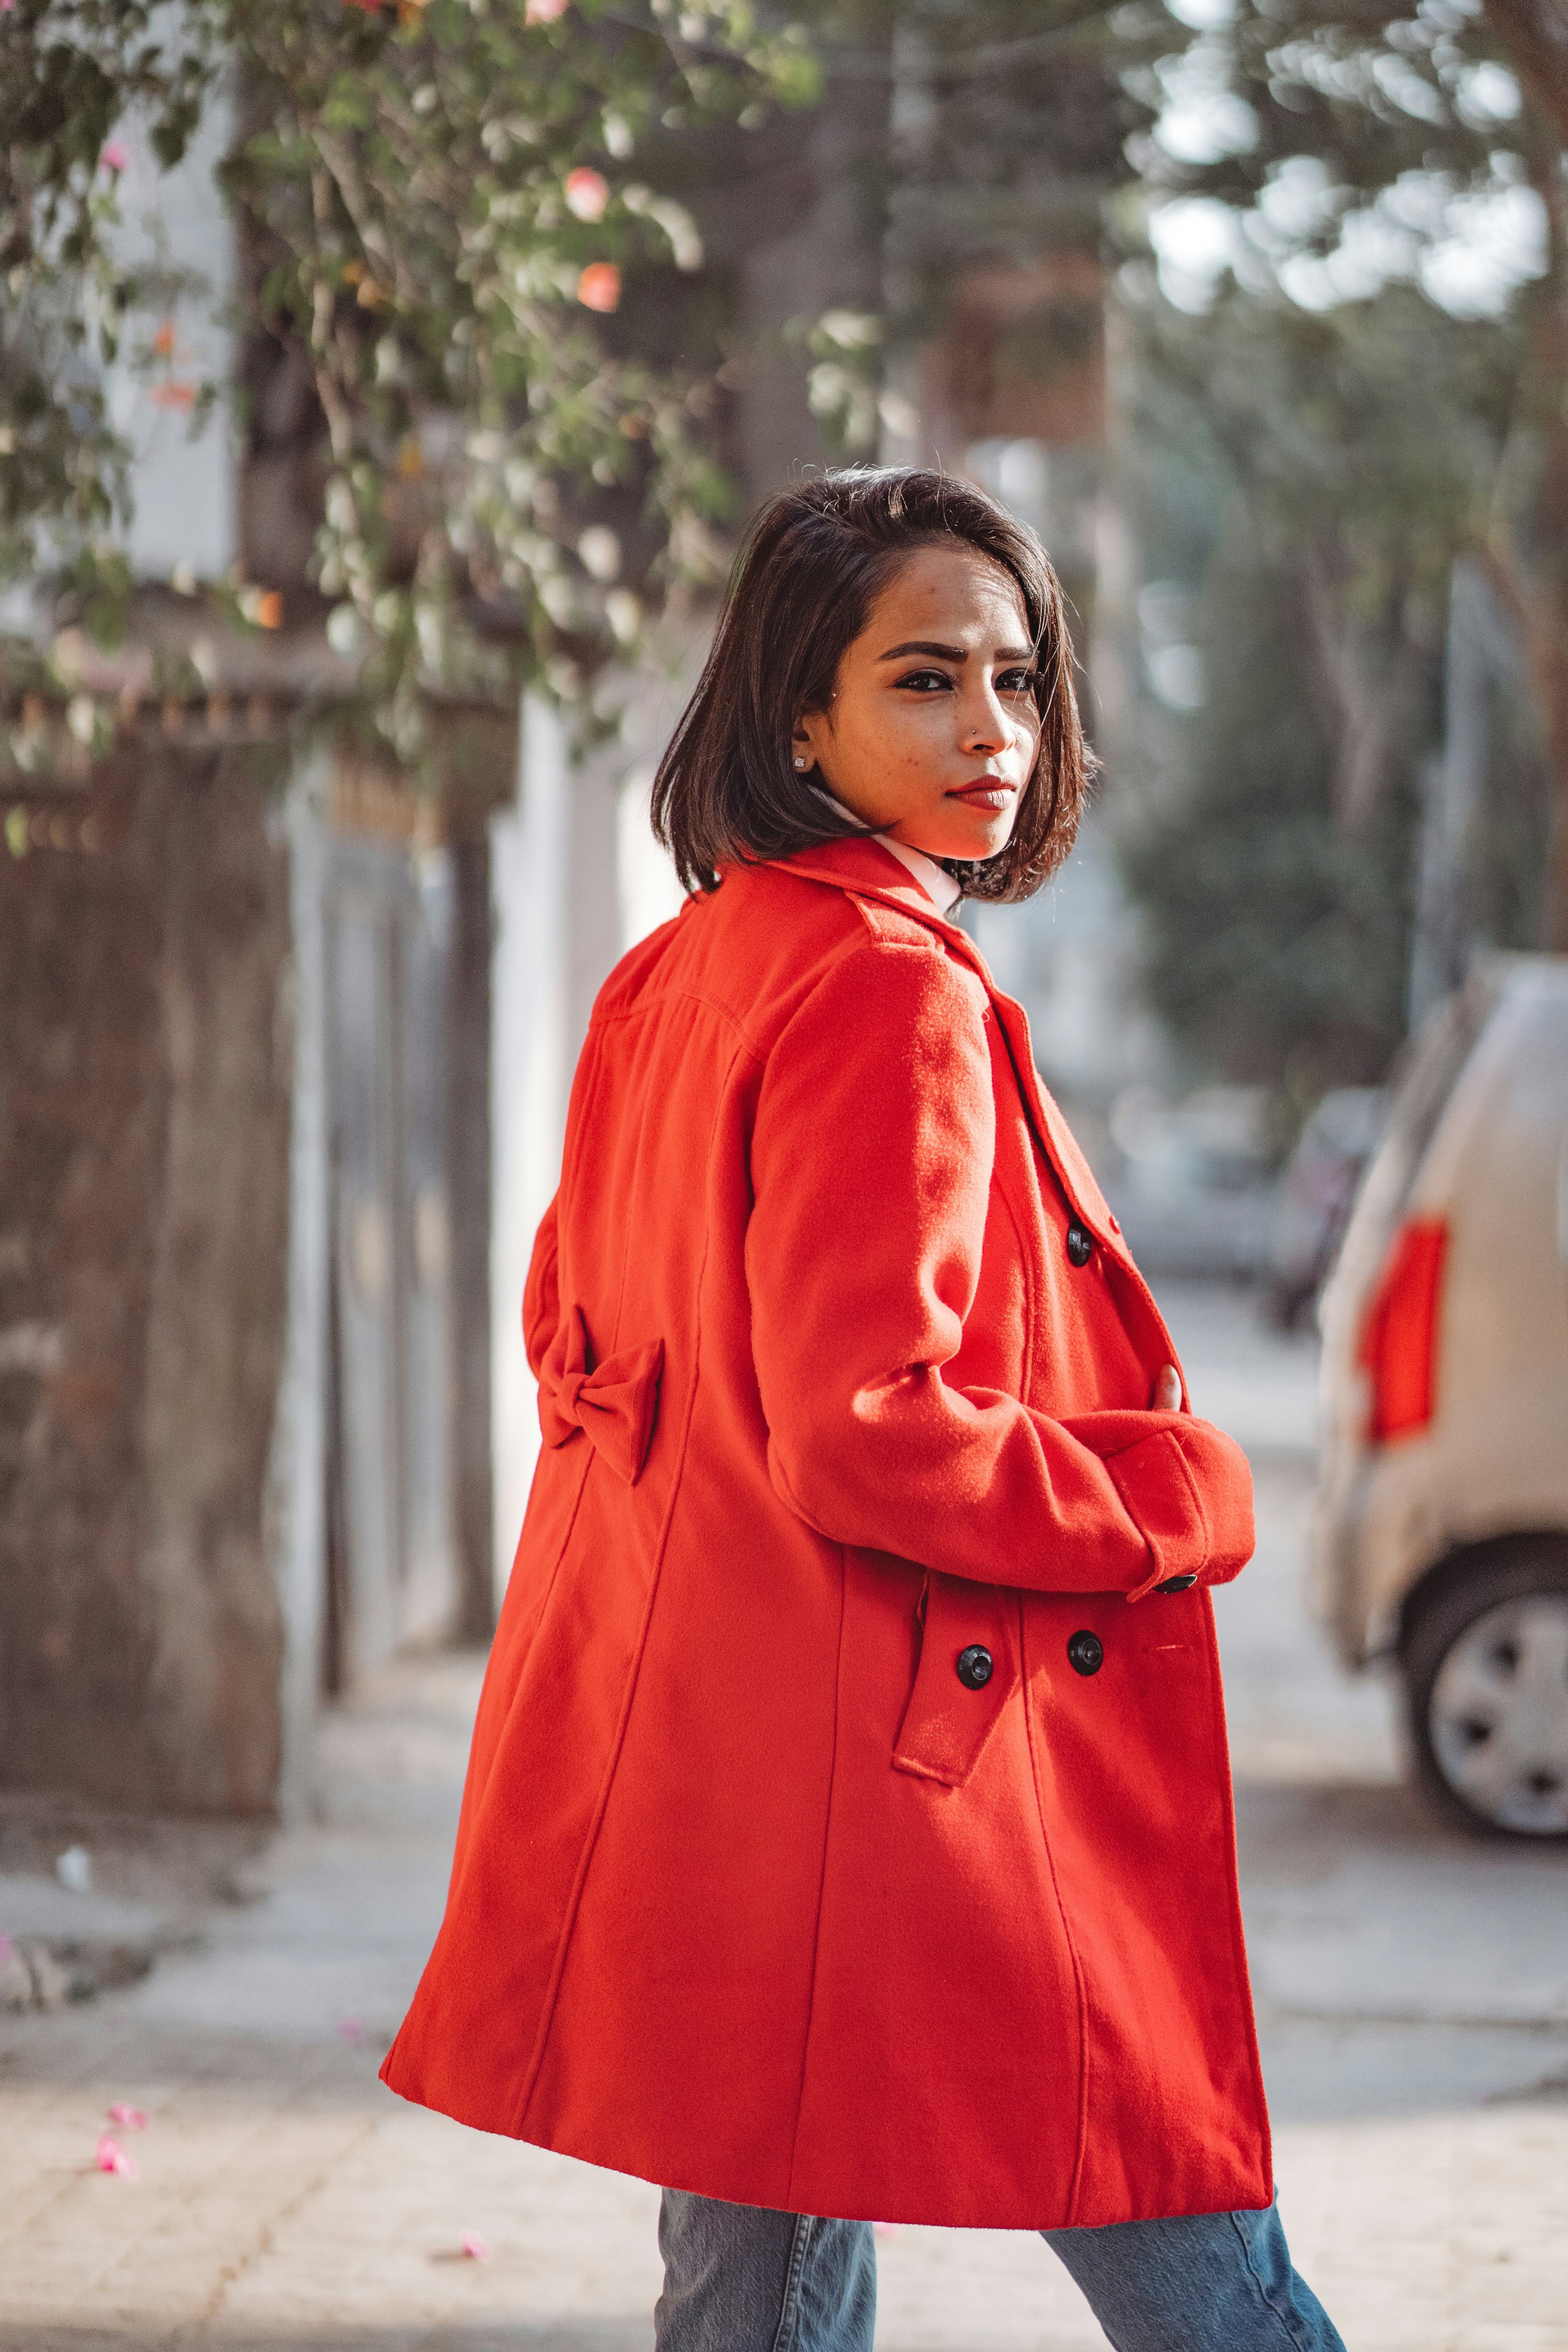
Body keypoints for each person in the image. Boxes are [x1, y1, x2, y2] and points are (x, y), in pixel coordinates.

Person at [382, 469, 1344, 2352]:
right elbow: (868, 1428)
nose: (993, 731)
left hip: (729, 1759)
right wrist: (1171, 1499)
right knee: (1176, 2221)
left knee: (750, 2275)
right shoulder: (884, 987)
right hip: (909, 1766)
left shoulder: (677, 972)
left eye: (1017, 679)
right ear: (801, 719)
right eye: (926, 681)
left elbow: (572, 1339)